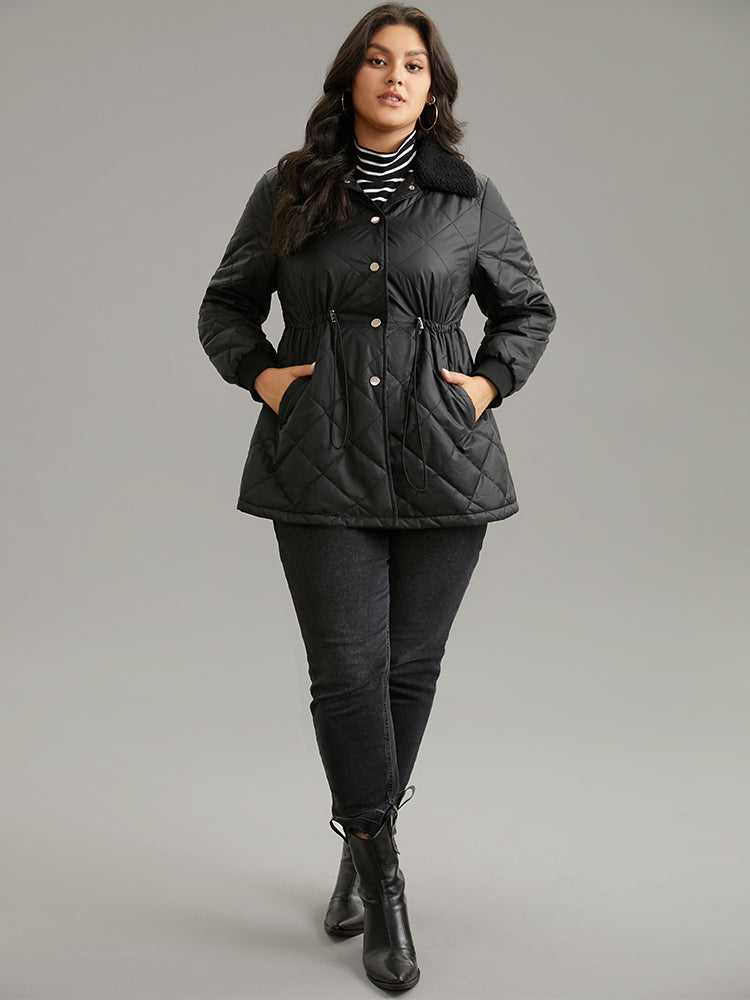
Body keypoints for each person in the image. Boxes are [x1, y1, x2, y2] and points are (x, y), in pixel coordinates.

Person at [197, 3, 556, 991]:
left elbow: (526, 308)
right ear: (349, 76)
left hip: (443, 462)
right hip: (320, 462)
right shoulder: (290, 186)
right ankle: (385, 872)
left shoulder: (466, 196)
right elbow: (226, 305)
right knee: (347, 673)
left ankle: (360, 841)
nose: (397, 76)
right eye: (379, 59)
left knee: (408, 672)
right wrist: (265, 377)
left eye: (415, 65)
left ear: (433, 90)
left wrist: (485, 386)